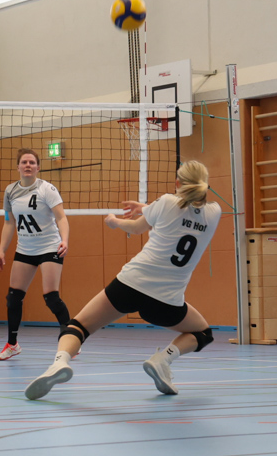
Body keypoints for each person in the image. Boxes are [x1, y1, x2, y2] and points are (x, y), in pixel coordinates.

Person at [24, 161, 222, 400]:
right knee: (203, 333)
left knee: (79, 326)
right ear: (205, 185)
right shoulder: (214, 213)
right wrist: (146, 208)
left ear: (177, 183)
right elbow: (182, 213)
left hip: (130, 284)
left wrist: (114, 222)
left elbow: (137, 228)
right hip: (166, 301)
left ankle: (59, 362)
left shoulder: (166, 202)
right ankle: (162, 360)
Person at [0, 148, 70, 361]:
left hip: (49, 247)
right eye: (24, 162)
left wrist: (64, 240)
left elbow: (61, 218)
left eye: (32, 162)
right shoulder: (10, 191)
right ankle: (12, 344)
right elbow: (9, 223)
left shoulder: (47, 189)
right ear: (18, 166)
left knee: (51, 297)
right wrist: (1, 250)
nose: (28, 165)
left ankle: (71, 338)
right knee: (13, 298)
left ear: (38, 167)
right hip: (25, 248)